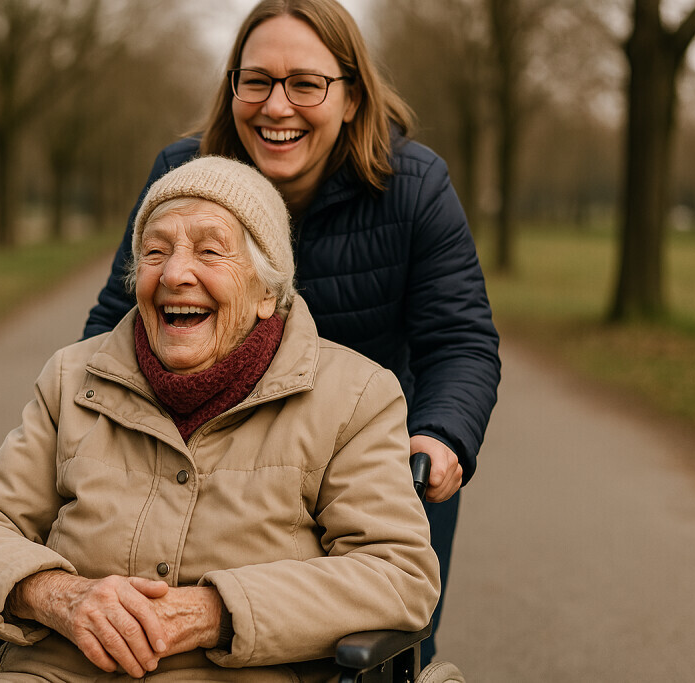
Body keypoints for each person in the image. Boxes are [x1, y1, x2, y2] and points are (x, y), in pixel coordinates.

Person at [83, 0, 501, 665]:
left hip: (371, 462)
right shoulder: (182, 174)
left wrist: (442, 433)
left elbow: (459, 339)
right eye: (257, 81)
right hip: (220, 459)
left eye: (305, 83)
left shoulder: (415, 188)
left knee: (382, 650)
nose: (277, 107)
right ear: (233, 88)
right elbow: (115, 322)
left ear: (352, 96)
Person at [0, 157, 440, 682]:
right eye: (154, 252)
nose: (174, 274)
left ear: (266, 292)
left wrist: (215, 612)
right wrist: (56, 595)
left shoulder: (354, 397)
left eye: (210, 251)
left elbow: (398, 574)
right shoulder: (73, 378)